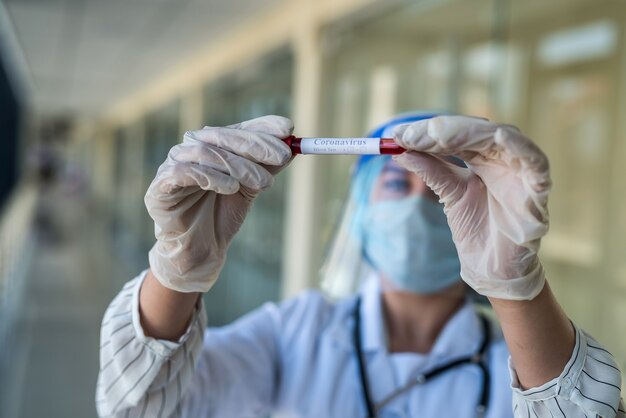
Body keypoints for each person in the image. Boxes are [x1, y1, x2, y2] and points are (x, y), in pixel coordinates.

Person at [96, 114, 624, 418]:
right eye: (397, 183)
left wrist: (515, 284)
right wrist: (176, 271)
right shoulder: (294, 332)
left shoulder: (515, 365)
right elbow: (140, 407)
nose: (419, 203)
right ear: (361, 209)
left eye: (443, 191)